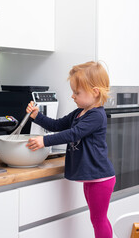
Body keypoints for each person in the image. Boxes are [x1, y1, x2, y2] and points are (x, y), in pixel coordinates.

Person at [26, 61, 116, 238]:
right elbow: (57, 125)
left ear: (95, 92)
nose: (72, 96)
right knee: (96, 219)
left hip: (101, 177)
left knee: (99, 220)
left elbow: (73, 134)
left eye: (77, 92)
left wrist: (45, 141)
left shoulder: (97, 115)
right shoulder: (79, 113)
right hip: (92, 177)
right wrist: (37, 116)